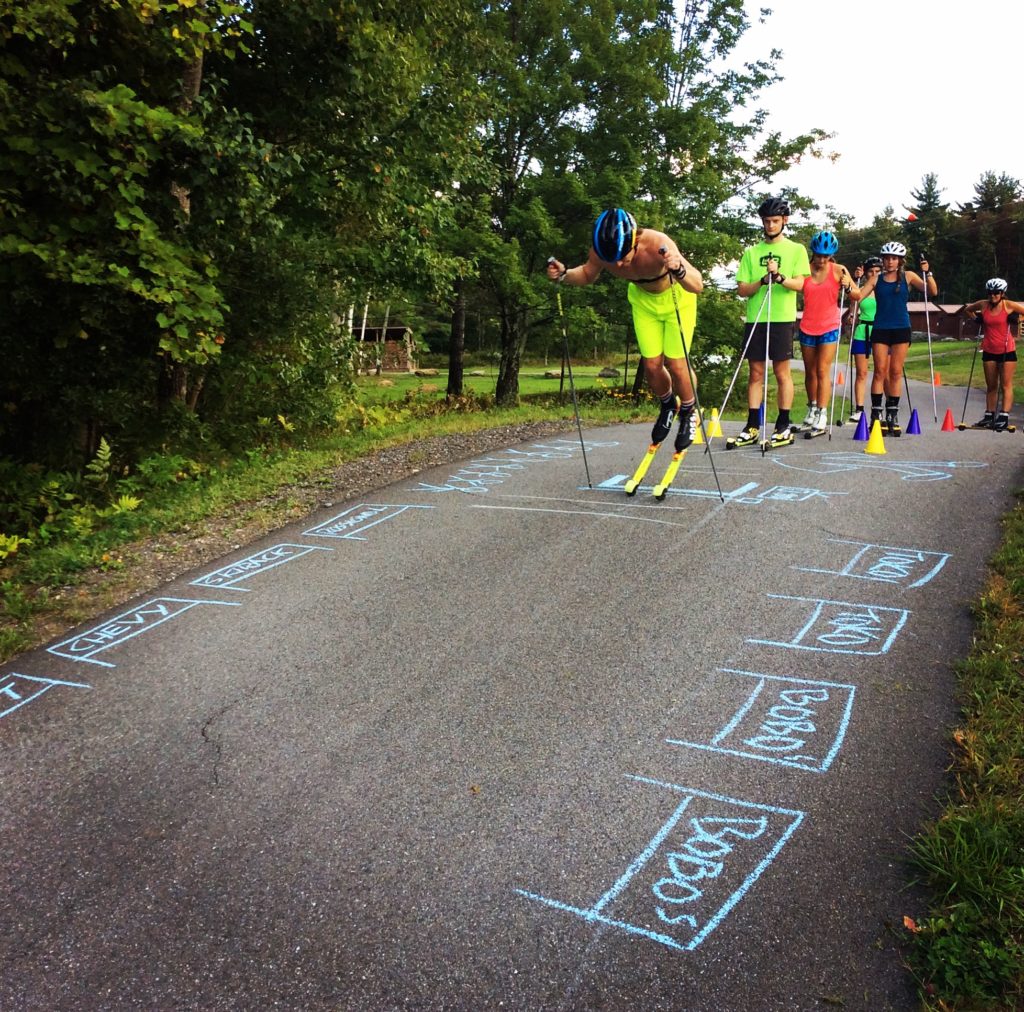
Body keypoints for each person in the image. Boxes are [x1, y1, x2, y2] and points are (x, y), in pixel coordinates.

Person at [546, 208, 704, 451]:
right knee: (651, 365)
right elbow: (587, 274)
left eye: (623, 256)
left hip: (676, 299)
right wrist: (564, 275)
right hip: (643, 303)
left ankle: (689, 410)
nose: (618, 263)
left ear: (635, 240)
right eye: (613, 259)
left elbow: (697, 284)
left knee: (676, 363)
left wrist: (679, 270)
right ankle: (668, 405)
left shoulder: (658, 244)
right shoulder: (601, 251)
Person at [732, 196, 811, 447]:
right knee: (755, 373)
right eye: (767, 221)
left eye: (775, 221)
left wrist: (779, 278)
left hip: (781, 318)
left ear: (784, 220)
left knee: (781, 372)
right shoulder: (751, 252)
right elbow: (742, 289)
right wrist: (763, 281)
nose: (770, 225)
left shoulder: (796, 249)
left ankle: (783, 425)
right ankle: (752, 425)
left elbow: (800, 284)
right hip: (756, 317)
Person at [853, 240, 937, 436]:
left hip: (901, 328)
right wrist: (853, 282)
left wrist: (928, 272)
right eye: (887, 258)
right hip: (880, 329)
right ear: (883, 260)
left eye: (894, 258)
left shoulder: (908, 276)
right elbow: (857, 296)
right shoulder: (876, 279)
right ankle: (876, 414)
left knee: (896, 372)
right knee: (880, 371)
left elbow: (932, 291)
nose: (890, 262)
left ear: (900, 260)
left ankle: (893, 414)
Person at [794, 231, 863, 435]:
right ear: (813, 253)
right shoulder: (804, 270)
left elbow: (857, 295)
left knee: (822, 370)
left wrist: (847, 287)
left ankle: (822, 414)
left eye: (826, 256)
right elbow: (794, 286)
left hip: (830, 326)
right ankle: (812, 409)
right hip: (808, 326)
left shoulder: (839, 270)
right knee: (810, 371)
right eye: (818, 255)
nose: (822, 260)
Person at [961, 278, 1023, 430]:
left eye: (996, 293)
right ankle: (989, 415)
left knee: (1006, 385)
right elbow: (967, 309)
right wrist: (976, 319)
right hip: (989, 349)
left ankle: (1004, 416)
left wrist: (1017, 319)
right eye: (990, 293)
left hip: (1007, 350)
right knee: (991, 385)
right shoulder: (983, 305)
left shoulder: (1008, 305)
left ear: (1002, 293)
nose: (993, 296)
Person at [848, 256, 882, 422]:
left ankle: (879, 409)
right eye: (871, 272)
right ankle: (859, 409)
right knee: (861, 372)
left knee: (881, 372)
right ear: (866, 273)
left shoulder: (885, 290)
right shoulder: (861, 289)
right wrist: (852, 315)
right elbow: (853, 307)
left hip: (881, 331)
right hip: (863, 331)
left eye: (877, 271)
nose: (874, 274)